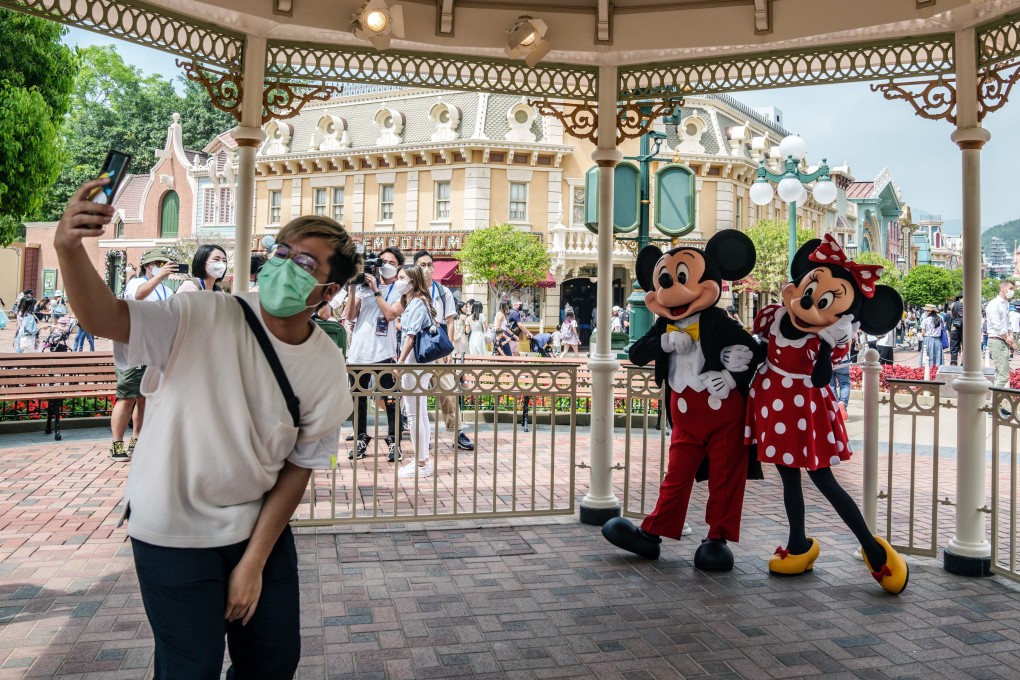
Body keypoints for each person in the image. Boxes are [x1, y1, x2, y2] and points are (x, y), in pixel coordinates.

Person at [54, 178, 355, 679]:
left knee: (273, 660)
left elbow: (302, 465)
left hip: (256, 529)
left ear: (330, 290)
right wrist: (68, 247)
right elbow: (105, 318)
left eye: (305, 262)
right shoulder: (198, 313)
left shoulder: (326, 364)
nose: (285, 265)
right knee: (189, 668)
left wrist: (253, 563)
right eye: (282, 252)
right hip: (172, 529)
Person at [111, 248, 179, 461]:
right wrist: (159, 276)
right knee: (127, 397)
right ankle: (117, 443)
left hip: (155, 351)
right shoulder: (135, 283)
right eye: (158, 264)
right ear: (148, 266)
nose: (163, 267)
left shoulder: (166, 291)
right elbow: (139, 295)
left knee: (145, 398)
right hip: (132, 351)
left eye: (165, 264)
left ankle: (137, 439)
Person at [344, 247, 405, 461]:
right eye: (383, 261)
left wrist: (376, 290)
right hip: (358, 353)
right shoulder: (363, 287)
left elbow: (390, 315)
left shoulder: (400, 290)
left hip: (384, 353)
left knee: (390, 400)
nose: (386, 265)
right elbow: (350, 315)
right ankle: (360, 439)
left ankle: (394, 441)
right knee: (358, 400)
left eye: (391, 262)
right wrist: (352, 288)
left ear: (398, 267)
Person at [409, 250, 473, 451]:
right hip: (414, 347)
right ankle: (418, 435)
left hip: (437, 347)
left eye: (429, 264)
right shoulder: (409, 291)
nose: (427, 269)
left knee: (448, 391)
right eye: (422, 265)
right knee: (412, 393)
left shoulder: (443, 291)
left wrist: (449, 350)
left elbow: (450, 321)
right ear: (415, 267)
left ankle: (457, 432)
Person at [396, 265, 440, 477]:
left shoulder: (417, 303)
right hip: (420, 364)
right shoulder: (419, 302)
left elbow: (410, 337)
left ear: (412, 281)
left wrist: (400, 363)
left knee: (414, 414)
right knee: (419, 413)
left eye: (402, 277)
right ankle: (423, 460)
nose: (398, 281)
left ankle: (421, 463)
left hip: (413, 364)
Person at [987, 280, 1016, 418]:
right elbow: (997, 326)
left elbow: (1007, 324)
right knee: (1004, 375)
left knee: (999, 375)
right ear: (1002, 288)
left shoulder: (1006, 304)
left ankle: (996, 405)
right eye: (1010, 288)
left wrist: (1010, 337)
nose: (1012, 291)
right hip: (996, 340)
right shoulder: (994, 304)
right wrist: (1010, 341)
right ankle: (993, 406)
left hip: (1002, 341)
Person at [920, 303, 944, 368]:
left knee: (927, 355)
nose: (925, 312)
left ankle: (927, 368)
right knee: (937, 355)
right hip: (938, 340)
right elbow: (942, 329)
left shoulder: (925, 320)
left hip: (927, 339)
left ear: (929, 311)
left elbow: (923, 333)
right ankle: (937, 367)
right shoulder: (940, 319)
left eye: (926, 310)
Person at [949, 295, 964, 365]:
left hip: (955, 327)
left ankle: (953, 362)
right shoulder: (970, 304)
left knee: (954, 346)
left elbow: (951, 315)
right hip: (967, 328)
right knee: (966, 347)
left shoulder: (953, 304)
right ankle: (964, 362)